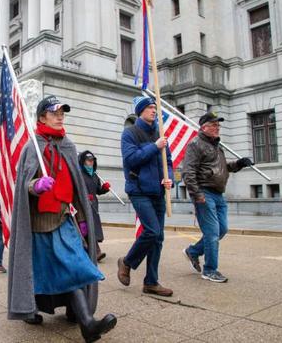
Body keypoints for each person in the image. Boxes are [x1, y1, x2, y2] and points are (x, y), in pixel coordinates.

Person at [7, 95, 117, 343]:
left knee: (73, 265)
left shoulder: (68, 145)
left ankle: (85, 320)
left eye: (62, 112)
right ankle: (36, 309)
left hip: (65, 217)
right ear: (42, 116)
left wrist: (82, 219)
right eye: (54, 112)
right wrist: (37, 185)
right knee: (46, 269)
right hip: (40, 221)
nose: (60, 116)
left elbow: (77, 185)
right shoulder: (31, 146)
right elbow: (22, 184)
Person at [181, 112, 253, 283]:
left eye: (218, 125)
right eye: (213, 125)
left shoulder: (216, 146)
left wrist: (239, 164)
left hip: (219, 194)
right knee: (212, 232)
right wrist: (197, 195)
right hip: (205, 193)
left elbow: (222, 168)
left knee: (222, 230)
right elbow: (188, 172)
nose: (217, 128)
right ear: (204, 127)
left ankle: (193, 251)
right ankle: (210, 270)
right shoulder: (195, 145)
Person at [116, 96, 174, 297]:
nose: (153, 111)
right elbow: (131, 160)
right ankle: (127, 262)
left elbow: (169, 162)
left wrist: (170, 179)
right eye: (150, 107)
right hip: (138, 189)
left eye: (155, 108)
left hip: (157, 191)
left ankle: (151, 282)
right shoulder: (129, 133)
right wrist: (155, 146)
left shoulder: (160, 134)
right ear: (141, 111)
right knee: (152, 231)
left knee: (158, 238)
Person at [78, 151, 111, 262]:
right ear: (83, 161)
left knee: (92, 228)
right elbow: (76, 190)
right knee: (87, 228)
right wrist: (85, 196)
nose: (90, 163)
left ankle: (92, 251)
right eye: (88, 160)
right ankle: (96, 252)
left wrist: (104, 189)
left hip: (93, 206)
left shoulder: (95, 175)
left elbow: (97, 191)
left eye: (92, 160)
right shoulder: (79, 175)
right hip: (82, 206)